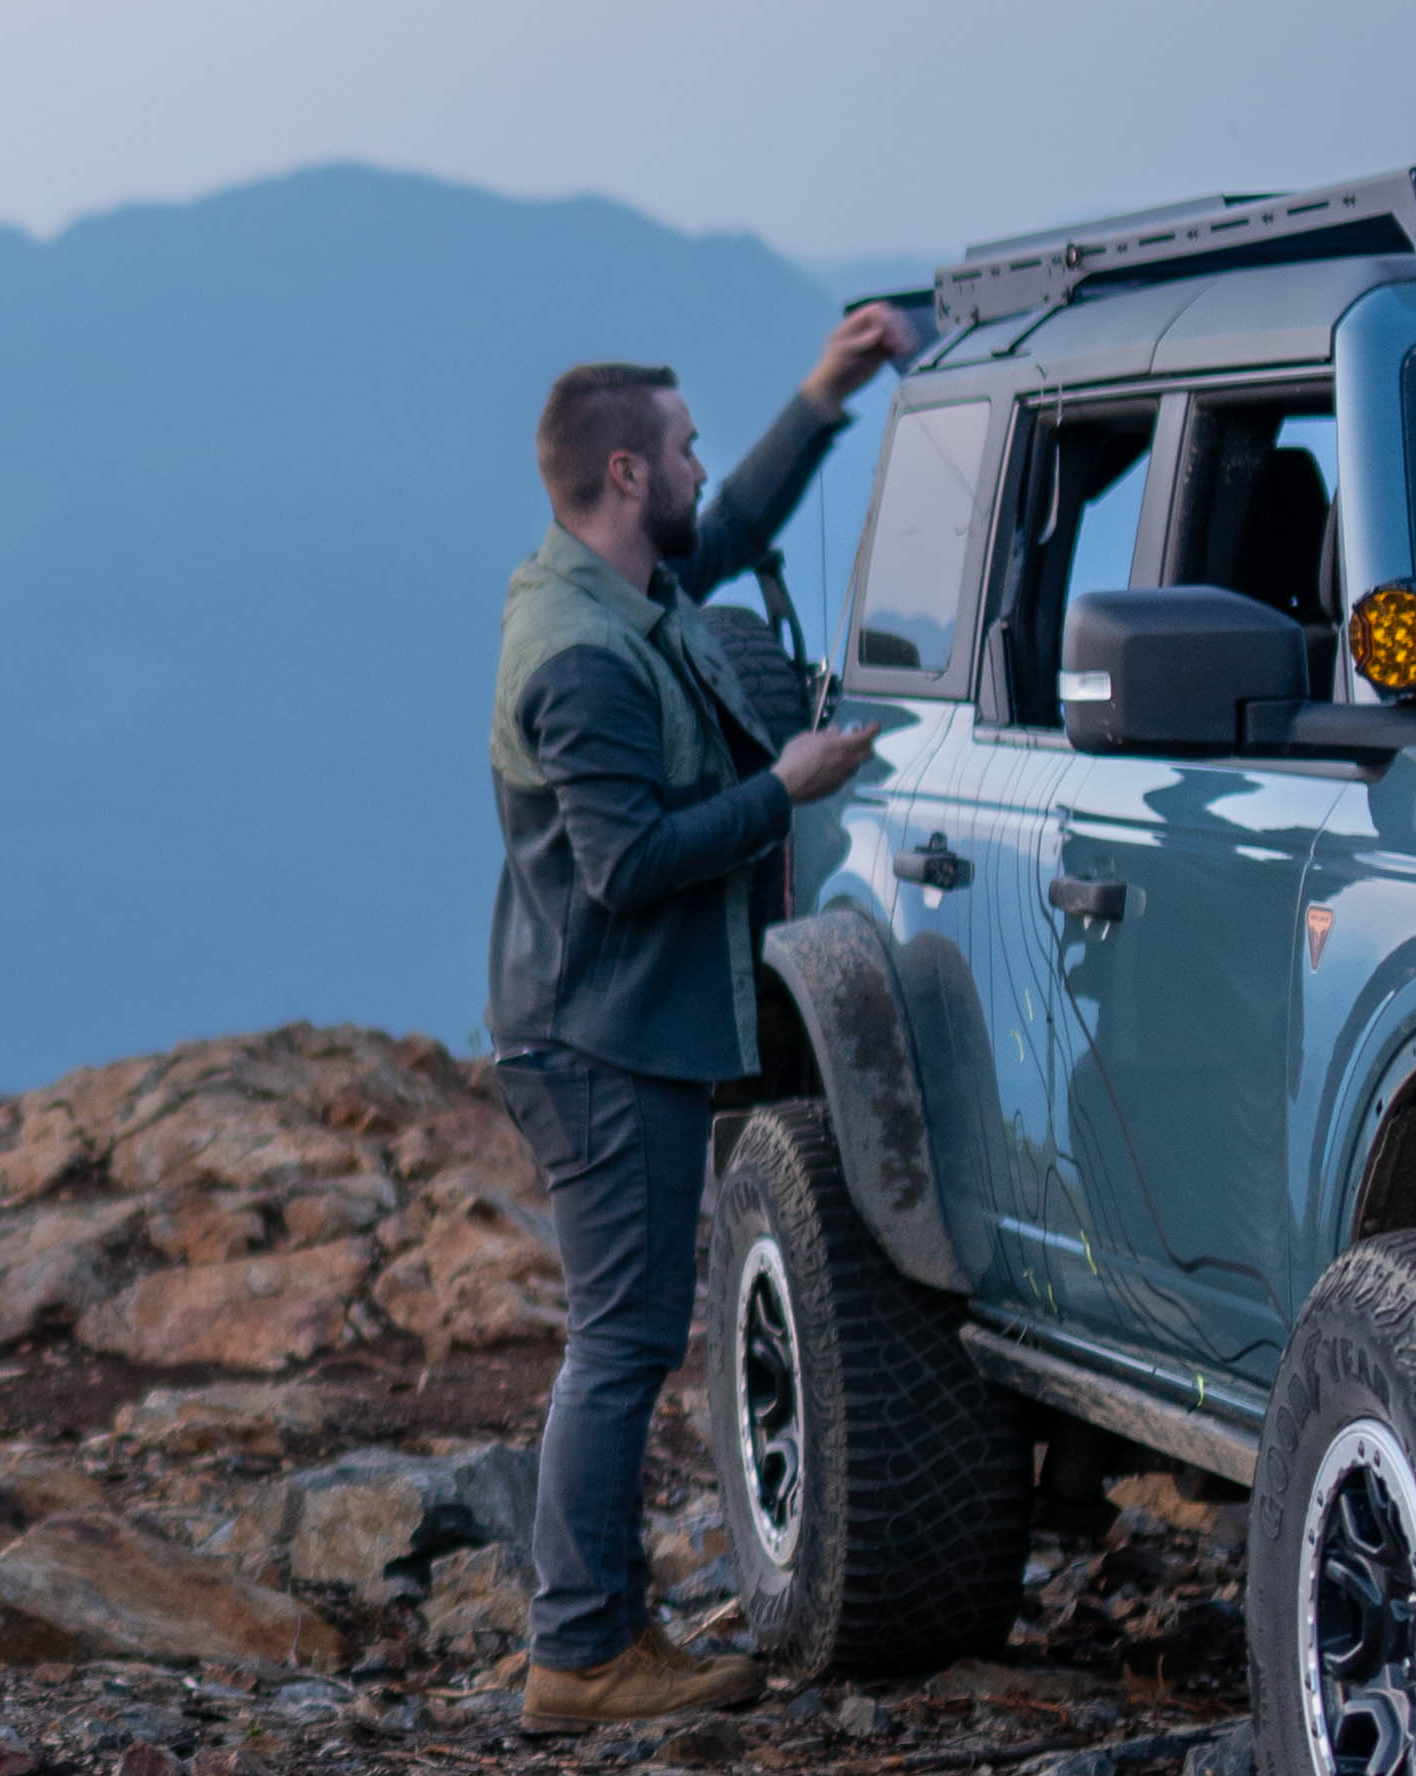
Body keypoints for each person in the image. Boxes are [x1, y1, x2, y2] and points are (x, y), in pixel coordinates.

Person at [485, 306, 904, 1732]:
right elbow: (624, 866)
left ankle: (592, 1636)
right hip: (603, 1042)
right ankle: (584, 1655)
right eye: (679, 446)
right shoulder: (582, 654)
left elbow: (719, 535)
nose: (696, 465)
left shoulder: (616, 589)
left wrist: (826, 394)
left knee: (620, 1338)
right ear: (621, 472)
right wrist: (784, 788)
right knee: (617, 1346)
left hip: (618, 1031)